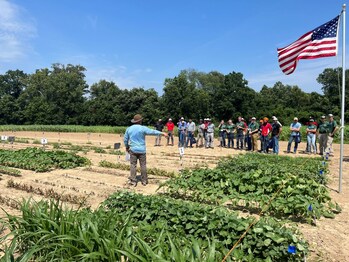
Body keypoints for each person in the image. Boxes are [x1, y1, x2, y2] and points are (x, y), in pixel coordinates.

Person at [124, 114, 168, 187]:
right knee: (143, 165)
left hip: (133, 149)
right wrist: (162, 133)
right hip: (142, 150)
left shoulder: (129, 129)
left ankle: (133, 181)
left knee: (133, 165)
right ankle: (144, 181)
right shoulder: (143, 128)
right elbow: (152, 131)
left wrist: (127, 147)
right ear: (140, 121)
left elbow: (125, 139)